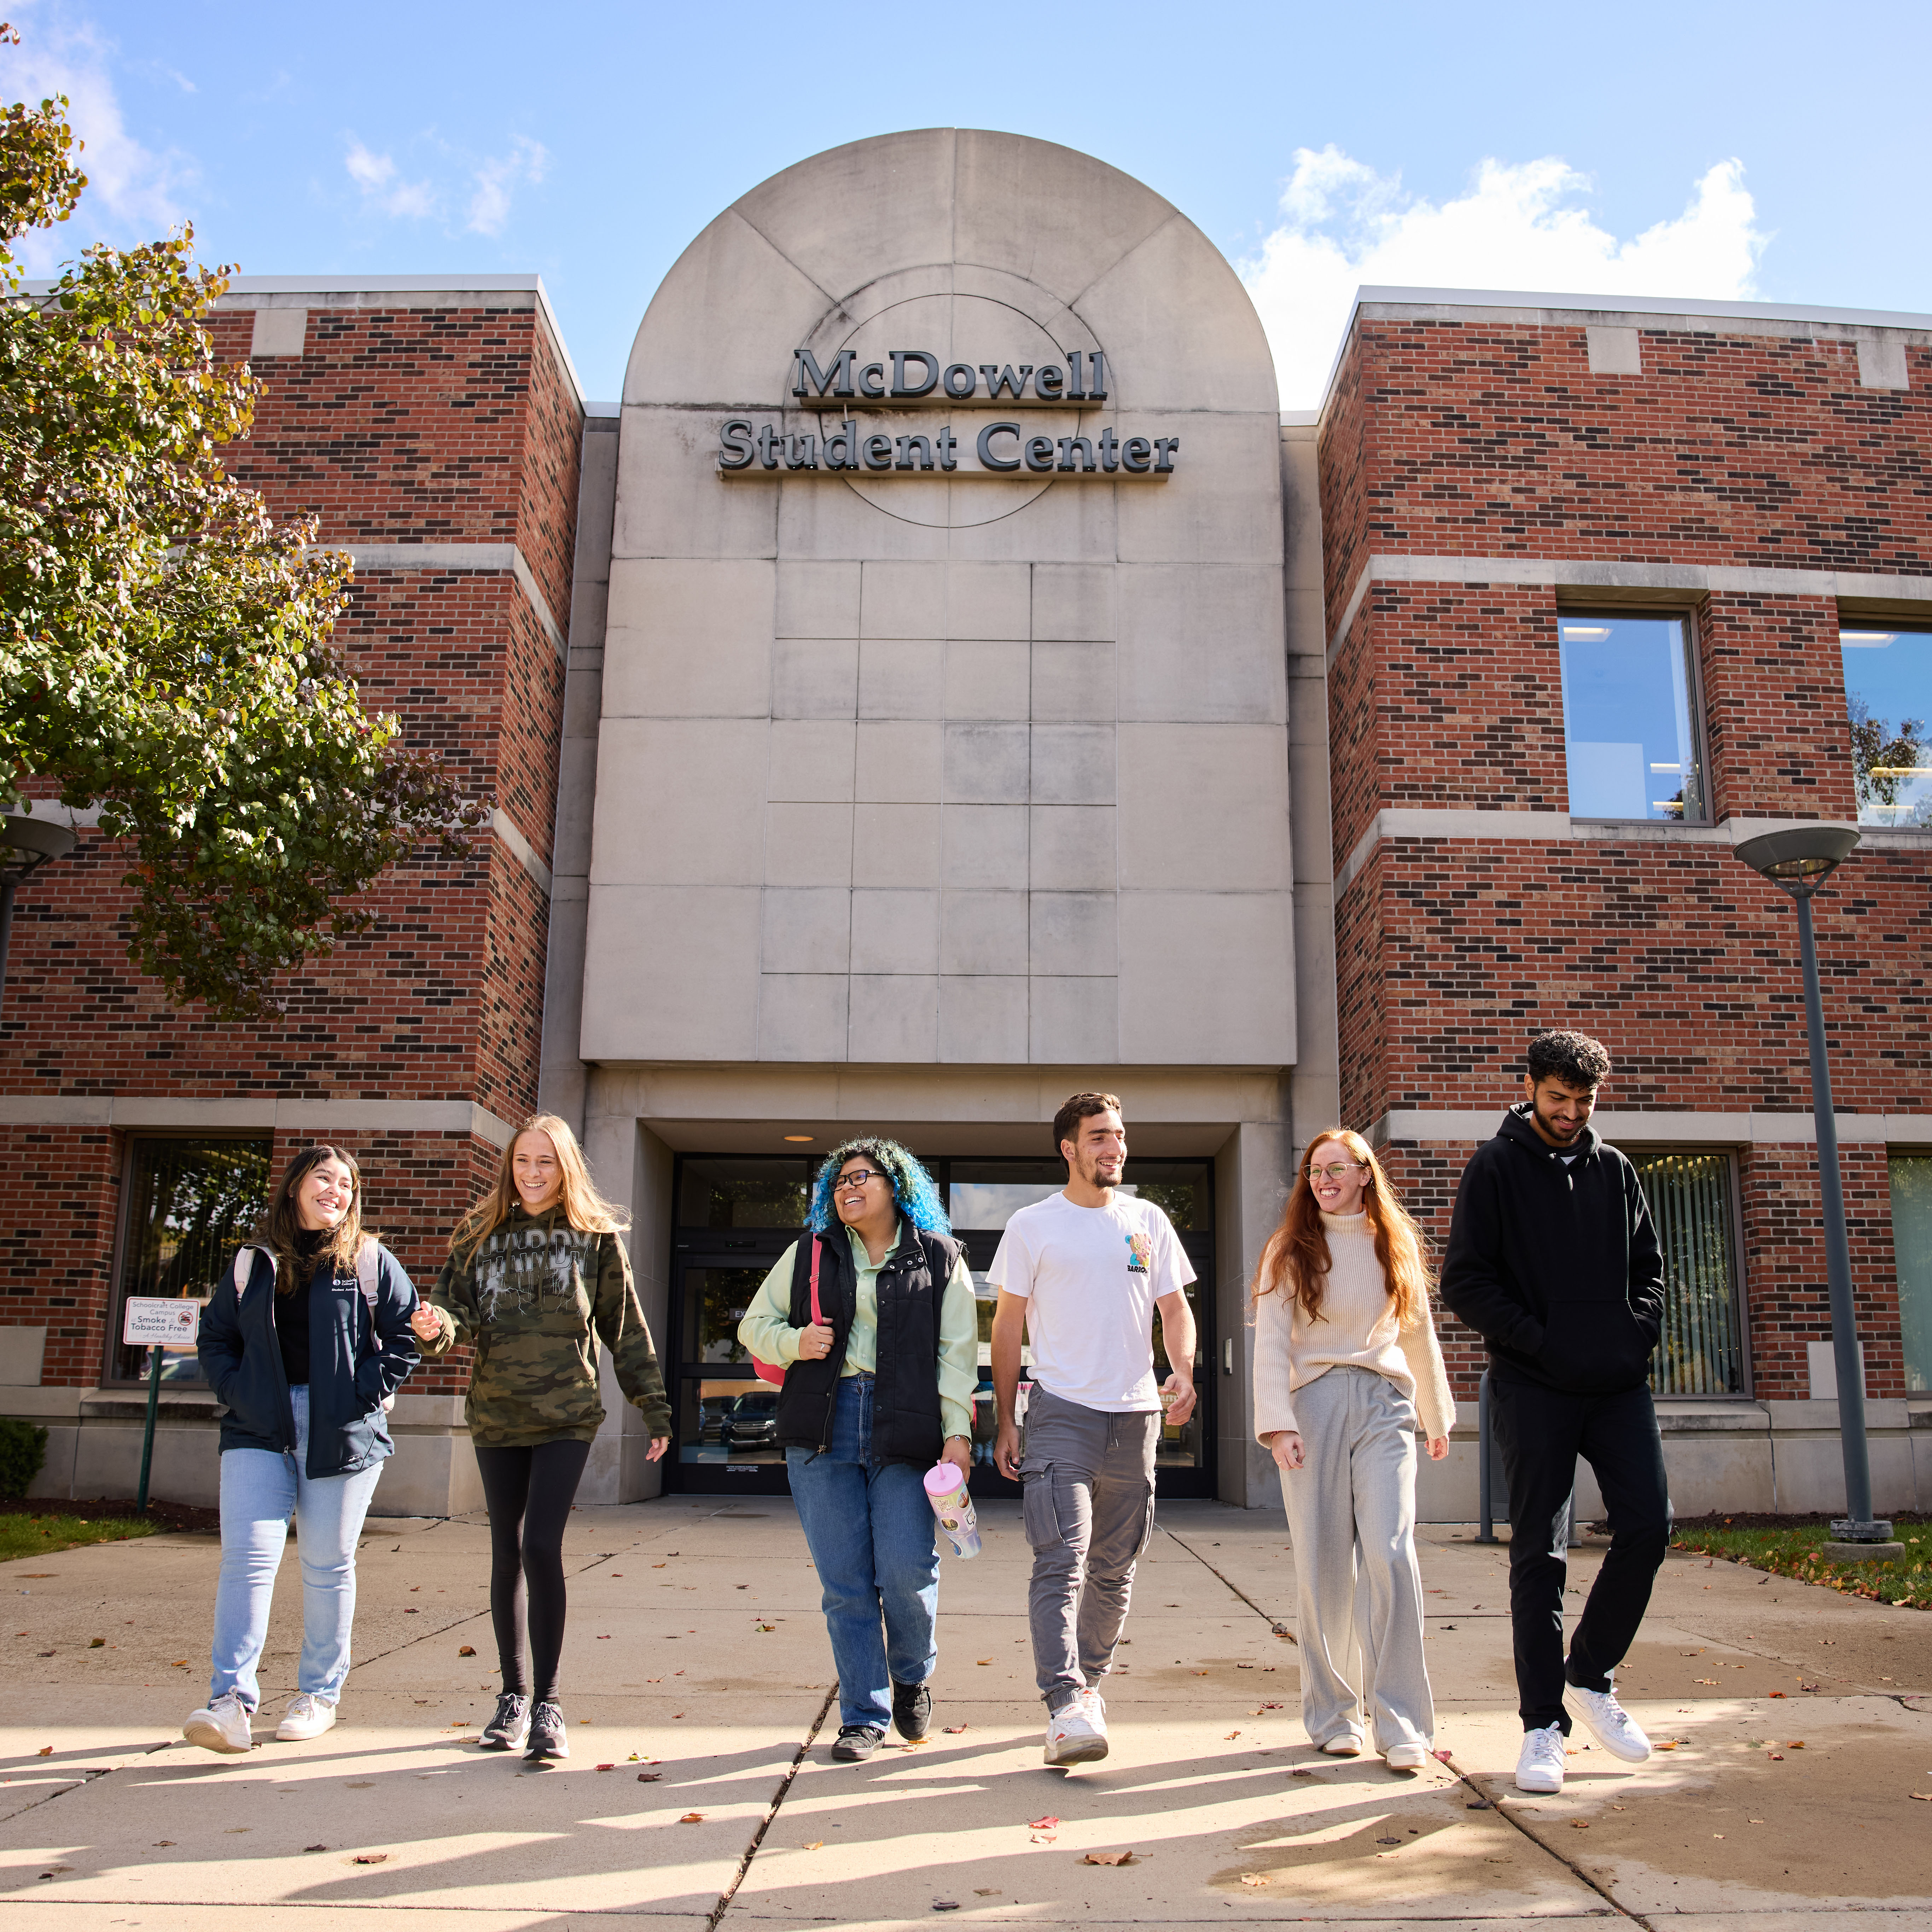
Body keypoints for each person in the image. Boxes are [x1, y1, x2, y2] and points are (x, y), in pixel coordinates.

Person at [1440, 1029, 1670, 1797]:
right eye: (1558, 1098)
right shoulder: (1495, 1166)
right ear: (1531, 1087)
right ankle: (1543, 1724)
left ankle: (1590, 1672)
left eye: (1583, 1101)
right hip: (1532, 1385)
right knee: (1537, 1550)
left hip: (1614, 1384)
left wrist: (1633, 1335)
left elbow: (1650, 1270)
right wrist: (1538, 1341)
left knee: (1647, 1523)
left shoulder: (1614, 1169)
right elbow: (1466, 1281)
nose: (1570, 1113)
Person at [411, 1113, 670, 1763]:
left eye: (545, 1162)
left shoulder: (595, 1236)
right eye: (523, 1161)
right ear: (510, 1165)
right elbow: (455, 1313)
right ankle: (512, 1698)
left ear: (566, 1167)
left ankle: (549, 1706)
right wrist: (431, 1324)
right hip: (497, 1416)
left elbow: (625, 1328)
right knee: (506, 1551)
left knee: (540, 1545)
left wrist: (655, 1407)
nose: (532, 1173)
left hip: (567, 1415)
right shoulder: (478, 1231)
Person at [738, 1140, 977, 1763]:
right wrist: (797, 1341)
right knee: (845, 1584)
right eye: (838, 1180)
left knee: (906, 1570)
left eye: (861, 1177)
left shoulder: (940, 1257)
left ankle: (912, 1674)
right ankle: (862, 1715)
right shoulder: (809, 1254)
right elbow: (752, 1326)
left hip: (908, 1428)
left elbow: (955, 1354)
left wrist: (959, 1432)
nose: (847, 1187)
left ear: (896, 1185)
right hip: (823, 1426)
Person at [185, 1144, 421, 1753]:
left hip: (340, 1429)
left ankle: (319, 1696)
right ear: (295, 1187)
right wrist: (239, 1392)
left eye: (346, 1184)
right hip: (257, 1427)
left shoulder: (368, 1259)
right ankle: (229, 1703)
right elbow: (215, 1336)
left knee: (326, 1566)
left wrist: (358, 1394)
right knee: (248, 1561)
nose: (336, 1191)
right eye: (324, 1178)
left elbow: (405, 1334)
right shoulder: (252, 1262)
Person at [990, 1092, 1198, 1767]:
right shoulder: (1032, 1225)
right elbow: (1007, 1327)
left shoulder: (1147, 1220)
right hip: (1059, 1413)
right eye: (1101, 1137)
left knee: (1115, 1567)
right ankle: (1064, 1701)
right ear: (1069, 1149)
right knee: (1061, 1558)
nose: (1116, 1148)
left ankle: (1091, 1687)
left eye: (1120, 1136)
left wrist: (1184, 1372)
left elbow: (1174, 1309)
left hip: (1135, 1416)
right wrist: (1004, 1419)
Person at [1252, 1128, 1454, 1771]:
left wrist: (1435, 1413)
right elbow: (1271, 1342)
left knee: (1392, 1552)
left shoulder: (1392, 1242)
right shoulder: (1289, 1249)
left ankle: (1401, 1723)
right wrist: (1277, 1422)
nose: (1323, 1179)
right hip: (1311, 1406)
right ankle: (1336, 1715)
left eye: (1337, 1168)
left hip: (1383, 1404)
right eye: (1315, 1171)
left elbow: (1415, 1332)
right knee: (1323, 1564)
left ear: (1366, 1173)